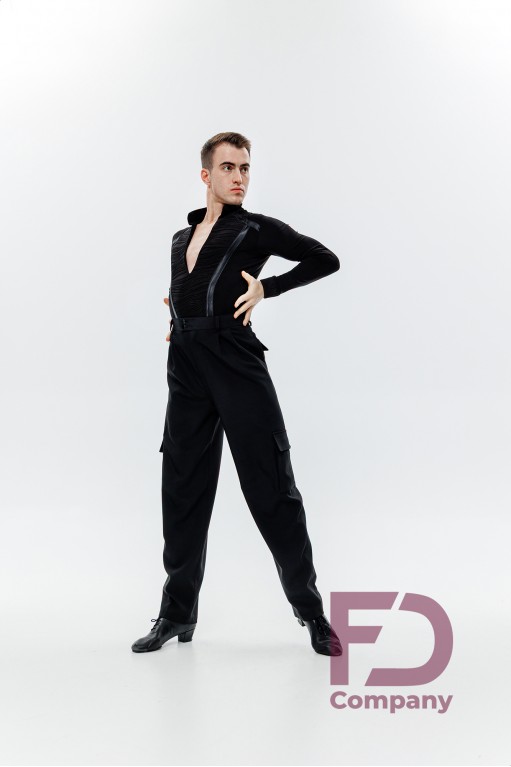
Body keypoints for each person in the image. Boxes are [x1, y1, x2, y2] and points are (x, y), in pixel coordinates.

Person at [131, 132, 343, 656]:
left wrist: (267, 288)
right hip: (185, 366)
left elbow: (324, 259)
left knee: (273, 489)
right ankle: (176, 614)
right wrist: (181, 315)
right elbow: (191, 288)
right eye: (228, 167)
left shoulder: (255, 228)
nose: (239, 177)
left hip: (236, 363)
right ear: (206, 175)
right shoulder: (180, 239)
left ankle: (311, 612)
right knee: (182, 489)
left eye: (245, 168)